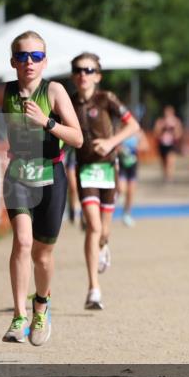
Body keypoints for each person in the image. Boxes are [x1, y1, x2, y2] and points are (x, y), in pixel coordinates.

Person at [0, 30, 83, 345]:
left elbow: (78, 137)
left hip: (51, 175)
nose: (29, 62)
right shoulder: (2, 92)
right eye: (22, 56)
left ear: (44, 62)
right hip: (17, 173)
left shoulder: (55, 91)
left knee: (43, 255)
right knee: (22, 242)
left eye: (36, 56)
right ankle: (19, 318)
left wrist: (47, 122)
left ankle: (41, 306)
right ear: (13, 62)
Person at [70, 53, 140, 310]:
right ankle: (93, 288)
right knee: (93, 226)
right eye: (78, 70)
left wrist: (111, 143)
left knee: (104, 231)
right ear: (72, 75)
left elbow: (133, 125)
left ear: (98, 76)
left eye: (89, 70)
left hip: (109, 169)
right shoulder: (67, 102)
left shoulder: (106, 98)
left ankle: (104, 245)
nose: (83, 75)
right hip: (86, 169)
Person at [117, 130, 145, 227]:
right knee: (121, 189)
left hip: (133, 165)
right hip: (121, 165)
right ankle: (114, 199)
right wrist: (121, 149)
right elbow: (114, 145)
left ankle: (126, 214)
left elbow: (145, 145)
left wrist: (134, 147)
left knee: (131, 192)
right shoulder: (119, 132)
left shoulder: (138, 132)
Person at [153, 105, 183, 183]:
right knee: (163, 161)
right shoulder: (160, 121)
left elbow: (179, 134)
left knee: (170, 161)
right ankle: (165, 175)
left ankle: (169, 177)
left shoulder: (176, 121)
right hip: (162, 144)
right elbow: (156, 133)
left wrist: (173, 130)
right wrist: (163, 128)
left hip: (172, 144)